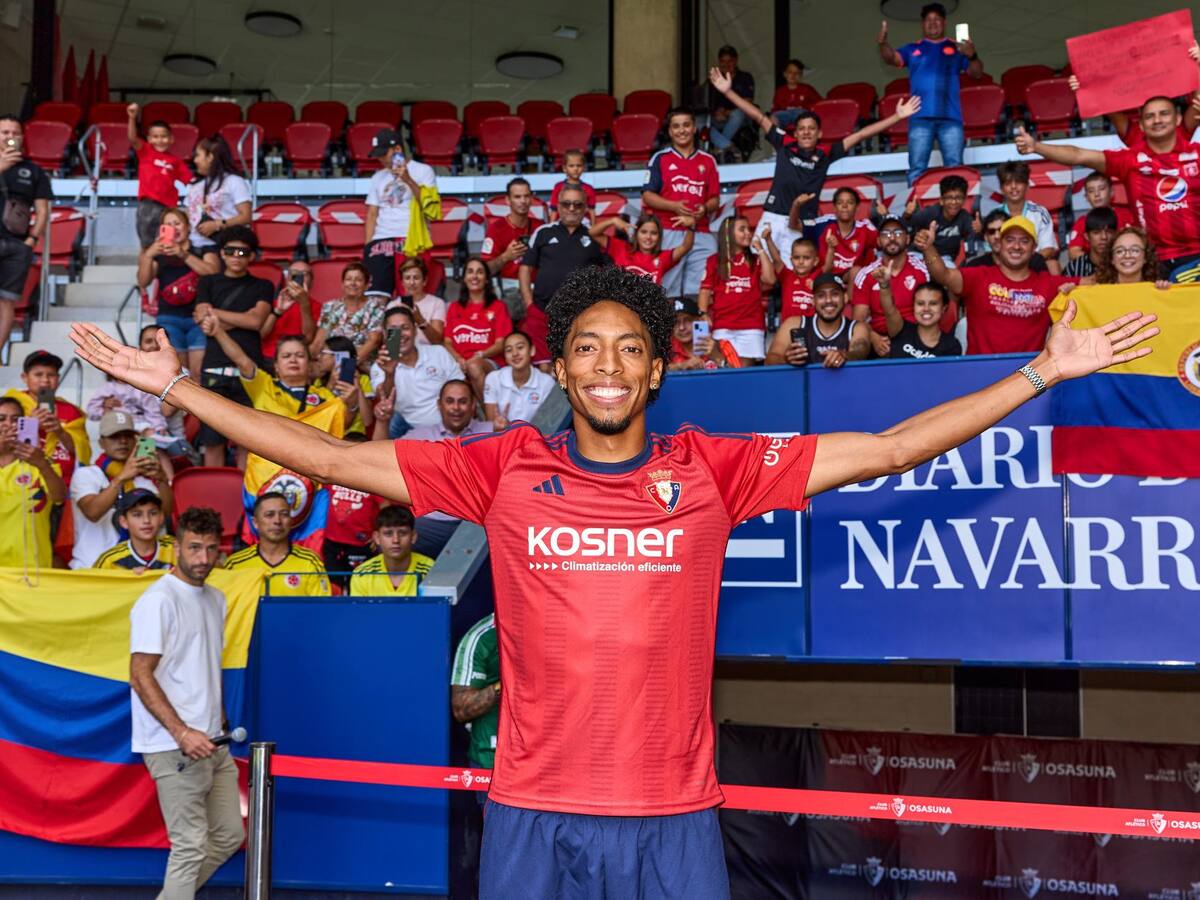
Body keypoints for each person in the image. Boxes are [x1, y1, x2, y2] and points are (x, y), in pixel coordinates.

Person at [73, 261, 1157, 900]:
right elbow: (327, 458)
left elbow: (884, 448)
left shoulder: (712, 470)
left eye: (628, 348)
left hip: (674, 818)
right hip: (534, 815)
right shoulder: (503, 466)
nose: (605, 365)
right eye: (585, 347)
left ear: (657, 367)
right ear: (558, 366)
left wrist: (1040, 373)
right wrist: (184, 388)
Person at [129, 506, 243, 900]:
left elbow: (204, 668)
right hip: (174, 745)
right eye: (194, 548)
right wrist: (181, 732)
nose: (203, 559)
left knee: (229, 835)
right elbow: (139, 674)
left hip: (214, 741)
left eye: (212, 549)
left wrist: (219, 724)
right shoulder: (157, 600)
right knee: (191, 845)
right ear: (174, 546)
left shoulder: (216, 598)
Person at [708, 67, 920, 263]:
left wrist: (897, 116)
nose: (806, 132)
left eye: (811, 128)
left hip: (801, 223)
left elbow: (862, 134)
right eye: (801, 128)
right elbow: (757, 116)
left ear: (819, 133)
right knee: (757, 270)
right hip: (772, 216)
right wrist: (728, 92)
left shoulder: (826, 153)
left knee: (796, 275)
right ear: (795, 132)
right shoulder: (784, 143)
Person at [1014, 104, 1200, 280]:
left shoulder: (1197, 155)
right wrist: (1037, 147)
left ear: (1178, 118)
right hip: (1152, 260)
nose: (1157, 120)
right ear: (1141, 125)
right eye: (1150, 116)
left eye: (1164, 113)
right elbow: (1079, 155)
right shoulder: (1131, 160)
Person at [919, 215, 1078, 355]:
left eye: (1024, 241)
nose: (1016, 246)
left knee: (1044, 387)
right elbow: (943, 275)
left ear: (1034, 248)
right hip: (982, 371)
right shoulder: (978, 276)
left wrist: (1074, 293)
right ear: (999, 244)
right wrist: (928, 248)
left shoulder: (1048, 283)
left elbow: (1095, 284)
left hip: (1030, 374)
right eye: (1010, 240)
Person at [193, 226, 274, 467]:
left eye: (243, 252)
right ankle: (212, 500)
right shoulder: (207, 281)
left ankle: (247, 502)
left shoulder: (263, 285)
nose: (236, 256)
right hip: (214, 369)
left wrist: (216, 315)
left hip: (250, 372)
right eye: (230, 251)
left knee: (248, 443)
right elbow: (203, 320)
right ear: (221, 253)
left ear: (251, 256)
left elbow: (256, 321)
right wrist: (242, 318)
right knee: (212, 441)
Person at [877, 2, 982, 184]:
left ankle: (957, 211)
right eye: (928, 20)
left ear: (945, 22)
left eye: (937, 19)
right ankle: (916, 211)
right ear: (922, 24)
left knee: (955, 168)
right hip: (919, 118)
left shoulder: (958, 48)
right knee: (917, 169)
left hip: (950, 118)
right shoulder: (912, 48)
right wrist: (883, 43)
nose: (933, 23)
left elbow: (977, 73)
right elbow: (891, 58)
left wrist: (972, 55)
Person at [69, 409, 173, 569]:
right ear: (101, 442)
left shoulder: (147, 476)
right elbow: (92, 512)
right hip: (92, 568)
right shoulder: (87, 474)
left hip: (142, 568)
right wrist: (121, 478)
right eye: (114, 437)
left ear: (136, 440)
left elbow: (164, 514)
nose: (123, 441)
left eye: (128, 436)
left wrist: (162, 480)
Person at [519, 184, 609, 366]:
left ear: (585, 208)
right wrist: (529, 304)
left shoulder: (594, 236)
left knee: (579, 367)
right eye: (566, 204)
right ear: (558, 206)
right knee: (544, 368)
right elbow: (525, 269)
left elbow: (609, 273)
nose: (572, 209)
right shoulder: (543, 232)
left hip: (581, 317)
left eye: (577, 204)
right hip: (542, 313)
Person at [400, 379, 492, 559]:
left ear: (473, 405)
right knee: (394, 540)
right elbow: (383, 457)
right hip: (429, 524)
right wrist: (382, 420)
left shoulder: (493, 431)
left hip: (478, 524)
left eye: (462, 401)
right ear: (439, 405)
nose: (456, 407)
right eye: (450, 401)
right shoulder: (419, 436)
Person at [641, 108, 719, 299]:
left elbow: (715, 199)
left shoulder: (708, 161)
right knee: (667, 287)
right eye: (676, 126)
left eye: (686, 125)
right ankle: (668, 329)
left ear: (694, 128)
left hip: (700, 231)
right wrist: (673, 206)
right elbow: (647, 196)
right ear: (670, 131)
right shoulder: (661, 158)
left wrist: (705, 208)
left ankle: (697, 327)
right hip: (669, 230)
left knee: (702, 287)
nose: (681, 130)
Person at [136, 206, 221, 375]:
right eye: (168, 225)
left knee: (198, 373)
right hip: (169, 317)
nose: (173, 228)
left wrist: (184, 254)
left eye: (177, 223)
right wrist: (147, 255)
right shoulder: (158, 254)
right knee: (177, 374)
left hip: (199, 318)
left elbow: (213, 273)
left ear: (188, 227)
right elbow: (143, 281)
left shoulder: (203, 250)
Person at [363, 128, 437, 300]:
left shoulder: (423, 171)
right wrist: (368, 247)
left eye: (383, 153)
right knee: (376, 299)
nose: (380, 159)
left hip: (411, 239)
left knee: (410, 297)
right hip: (381, 240)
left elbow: (429, 207)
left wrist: (408, 179)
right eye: (378, 154)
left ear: (397, 149)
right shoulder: (378, 177)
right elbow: (372, 213)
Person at [0, 115, 52, 357]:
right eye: (5, 132)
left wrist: (32, 240)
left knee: (7, 302)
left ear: (22, 137)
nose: (10, 137)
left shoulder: (33, 171)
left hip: (17, 244)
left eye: (15, 133)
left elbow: (43, 210)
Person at [370, 305, 462, 438]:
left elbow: (461, 387)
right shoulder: (379, 366)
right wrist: (390, 374)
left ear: (415, 330)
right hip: (406, 429)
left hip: (447, 426)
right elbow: (384, 399)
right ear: (385, 334)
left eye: (405, 328)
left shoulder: (438, 352)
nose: (400, 335)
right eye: (393, 331)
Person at [4, 349, 88, 485]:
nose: (45, 380)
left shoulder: (71, 411)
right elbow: (4, 443)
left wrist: (60, 432)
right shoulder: (9, 407)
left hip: (64, 483)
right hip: (22, 482)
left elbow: (81, 451)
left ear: (58, 378)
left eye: (51, 375)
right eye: (38, 374)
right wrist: (30, 424)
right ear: (25, 377)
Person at [698, 216, 776, 363]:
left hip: (751, 326)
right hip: (723, 325)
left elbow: (770, 280)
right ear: (728, 234)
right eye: (742, 229)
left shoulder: (755, 259)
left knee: (745, 371)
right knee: (722, 368)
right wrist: (702, 313)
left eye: (749, 229)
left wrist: (760, 249)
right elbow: (705, 290)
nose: (748, 233)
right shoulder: (714, 261)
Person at [0, 393, 64, 569]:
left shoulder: (39, 460)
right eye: (1, 419)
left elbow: (59, 497)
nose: (8, 425)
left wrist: (42, 464)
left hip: (33, 569)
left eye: (15, 419)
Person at [852, 217, 933, 356]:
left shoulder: (922, 270)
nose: (892, 238)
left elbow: (929, 312)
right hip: (879, 339)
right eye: (886, 234)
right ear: (878, 241)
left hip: (914, 335)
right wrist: (873, 337)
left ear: (907, 239)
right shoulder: (866, 275)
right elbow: (858, 321)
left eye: (898, 233)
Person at [224, 492, 331, 596]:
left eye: (284, 514)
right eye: (269, 515)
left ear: (291, 521)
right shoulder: (235, 565)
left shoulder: (310, 562)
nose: (277, 521)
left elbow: (322, 610)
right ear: (255, 523)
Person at [444, 257, 513, 401]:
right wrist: (459, 359)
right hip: (460, 363)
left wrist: (480, 355)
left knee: (474, 366)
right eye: (470, 272)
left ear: (487, 279)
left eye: (480, 272)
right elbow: (447, 342)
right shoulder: (454, 307)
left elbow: (501, 344)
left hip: (489, 361)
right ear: (464, 278)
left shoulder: (498, 307)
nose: (474, 276)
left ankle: (491, 415)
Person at [765, 273, 868, 367]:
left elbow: (860, 353)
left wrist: (844, 355)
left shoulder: (857, 328)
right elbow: (770, 360)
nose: (828, 300)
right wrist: (786, 359)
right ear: (813, 301)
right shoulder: (794, 324)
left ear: (845, 298)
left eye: (835, 294)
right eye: (821, 295)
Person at [322, 431, 384, 586]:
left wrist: (380, 535)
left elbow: (385, 507)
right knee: (334, 585)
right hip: (332, 543)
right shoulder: (332, 475)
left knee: (359, 583)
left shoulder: (372, 480)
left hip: (361, 544)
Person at [126, 104, 188, 249]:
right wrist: (132, 117)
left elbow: (190, 181)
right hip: (148, 205)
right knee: (147, 245)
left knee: (167, 243)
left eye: (164, 137)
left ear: (171, 139)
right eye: (155, 137)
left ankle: (160, 271)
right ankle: (145, 271)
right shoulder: (146, 151)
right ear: (149, 139)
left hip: (168, 208)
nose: (160, 140)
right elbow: (132, 138)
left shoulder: (176, 161)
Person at [481, 177, 543, 316]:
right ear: (508, 200)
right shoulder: (496, 228)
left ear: (532, 198)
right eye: (517, 197)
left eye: (526, 196)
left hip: (536, 287)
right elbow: (484, 270)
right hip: (507, 288)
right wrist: (506, 257)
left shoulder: (541, 227)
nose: (523, 201)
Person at [451, 611, 500, 776]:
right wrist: (505, 684)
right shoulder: (481, 637)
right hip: (491, 758)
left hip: (544, 758)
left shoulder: (551, 630)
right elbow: (461, 708)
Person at [184, 136, 251, 253]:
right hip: (192, 244)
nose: (195, 160)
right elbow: (187, 213)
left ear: (210, 157)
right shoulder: (194, 184)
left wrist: (217, 225)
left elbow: (246, 216)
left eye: (198, 155)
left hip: (223, 247)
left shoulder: (234, 181)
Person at [348, 505, 433, 596]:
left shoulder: (431, 571)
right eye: (388, 534)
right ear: (377, 538)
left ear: (413, 536)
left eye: (402, 533)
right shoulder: (362, 574)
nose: (395, 540)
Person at [588, 213, 693, 287]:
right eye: (644, 232)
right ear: (636, 234)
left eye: (654, 233)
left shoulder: (663, 257)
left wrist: (691, 227)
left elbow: (685, 247)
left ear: (659, 237)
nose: (648, 237)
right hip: (619, 308)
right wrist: (612, 220)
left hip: (648, 311)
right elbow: (592, 233)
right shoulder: (621, 248)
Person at [874, 271, 961, 359]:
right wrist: (884, 284)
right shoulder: (900, 329)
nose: (926, 309)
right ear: (914, 306)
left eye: (933, 303)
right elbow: (889, 309)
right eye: (920, 303)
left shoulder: (951, 346)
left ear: (943, 308)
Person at [310, 261, 386, 362]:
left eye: (358, 280)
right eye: (348, 279)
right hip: (330, 362)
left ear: (367, 285)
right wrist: (308, 362)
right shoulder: (330, 306)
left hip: (361, 363)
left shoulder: (375, 306)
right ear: (342, 284)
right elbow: (318, 341)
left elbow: (374, 340)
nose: (353, 283)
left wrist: (347, 365)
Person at [995, 161, 1059, 273]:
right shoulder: (994, 215)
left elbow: (1049, 249)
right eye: (1008, 183)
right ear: (1001, 188)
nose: (1013, 187)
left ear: (1027, 185)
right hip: (1005, 266)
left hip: (1033, 264)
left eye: (1018, 182)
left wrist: (1025, 261)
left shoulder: (1040, 213)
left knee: (1053, 265)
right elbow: (991, 250)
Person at [483, 331, 556, 429]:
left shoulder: (546, 383)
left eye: (520, 347)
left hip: (535, 439)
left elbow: (548, 424)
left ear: (532, 350)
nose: (515, 353)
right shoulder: (493, 379)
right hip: (503, 439)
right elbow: (491, 424)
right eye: (509, 350)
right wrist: (500, 426)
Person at [93, 488, 175, 572]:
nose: (146, 520)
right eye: (137, 515)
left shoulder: (177, 548)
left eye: (153, 513)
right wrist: (130, 579)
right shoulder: (109, 561)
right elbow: (91, 584)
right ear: (124, 522)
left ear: (161, 517)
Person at [902, 173, 975, 264]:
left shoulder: (965, 218)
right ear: (941, 200)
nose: (954, 202)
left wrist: (979, 230)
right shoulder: (930, 212)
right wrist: (907, 214)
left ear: (964, 200)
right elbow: (905, 226)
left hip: (945, 259)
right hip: (920, 255)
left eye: (958, 198)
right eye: (949, 198)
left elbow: (973, 241)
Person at [1065, 173, 1134, 262]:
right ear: (1086, 197)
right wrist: (1101, 262)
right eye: (1091, 191)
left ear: (1112, 192)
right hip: (1094, 269)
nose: (1096, 194)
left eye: (1101, 189)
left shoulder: (1126, 215)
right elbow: (1073, 253)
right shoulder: (1082, 222)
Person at [261, 260, 320, 362]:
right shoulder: (272, 303)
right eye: (294, 274)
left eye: (304, 274)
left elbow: (308, 338)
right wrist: (277, 311)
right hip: (269, 356)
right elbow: (261, 334)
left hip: (296, 359)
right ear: (287, 278)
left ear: (311, 280)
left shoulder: (318, 306)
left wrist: (304, 304)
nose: (299, 278)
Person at [706, 44, 755, 161]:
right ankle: (727, 146)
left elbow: (747, 102)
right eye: (723, 61)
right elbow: (707, 104)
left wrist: (727, 112)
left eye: (730, 61)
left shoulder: (745, 77)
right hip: (718, 119)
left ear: (736, 61)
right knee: (700, 122)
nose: (726, 64)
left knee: (738, 114)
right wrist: (715, 113)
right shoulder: (714, 80)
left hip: (740, 119)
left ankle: (720, 146)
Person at [817, 187, 878, 280]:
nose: (844, 206)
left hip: (856, 280)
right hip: (830, 281)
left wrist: (883, 217)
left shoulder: (865, 228)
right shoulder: (826, 230)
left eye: (850, 202)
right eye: (840, 202)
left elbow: (884, 242)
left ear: (857, 207)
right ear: (834, 208)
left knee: (855, 271)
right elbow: (825, 269)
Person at [964, 209, 1049, 272]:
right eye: (991, 232)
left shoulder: (1035, 261)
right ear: (986, 238)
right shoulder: (974, 266)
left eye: (1001, 230)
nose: (997, 236)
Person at [668, 297, 741, 370]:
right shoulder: (667, 348)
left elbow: (740, 377)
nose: (681, 327)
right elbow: (658, 372)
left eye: (688, 320)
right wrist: (681, 366)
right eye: (676, 322)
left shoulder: (722, 345)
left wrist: (717, 356)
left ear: (699, 321)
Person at [761, 233, 819, 319]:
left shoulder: (819, 279)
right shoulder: (787, 276)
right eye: (796, 257)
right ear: (791, 260)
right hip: (788, 328)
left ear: (815, 261)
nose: (801, 262)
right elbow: (777, 260)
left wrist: (831, 248)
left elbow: (829, 267)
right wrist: (768, 239)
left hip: (810, 329)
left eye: (806, 258)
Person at [395, 256, 447, 346]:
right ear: (402, 282)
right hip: (403, 354)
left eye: (416, 278)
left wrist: (420, 320)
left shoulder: (437, 303)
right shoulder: (393, 305)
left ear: (424, 281)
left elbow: (438, 341)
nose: (412, 282)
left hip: (430, 353)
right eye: (407, 278)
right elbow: (392, 346)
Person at [1095, 226, 1166, 287]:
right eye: (1120, 251)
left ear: (1146, 257)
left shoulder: (1157, 289)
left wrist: (1165, 294)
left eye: (1135, 250)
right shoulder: (1099, 292)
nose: (1127, 255)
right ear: (1112, 259)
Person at [1063, 207, 1118, 280]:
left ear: (1116, 235)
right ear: (1086, 236)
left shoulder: (1123, 265)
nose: (1104, 237)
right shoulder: (1074, 268)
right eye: (1096, 233)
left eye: (1109, 232)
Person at [548, 150, 596, 222]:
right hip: (562, 223)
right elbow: (554, 210)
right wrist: (551, 228)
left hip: (583, 223)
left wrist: (593, 229)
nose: (575, 169)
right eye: (571, 166)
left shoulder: (589, 189)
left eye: (579, 165)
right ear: (564, 168)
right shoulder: (558, 187)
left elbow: (591, 211)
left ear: (583, 168)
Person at [770, 59, 821, 128]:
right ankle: (779, 137)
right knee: (773, 117)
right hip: (785, 117)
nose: (793, 75)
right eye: (790, 72)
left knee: (802, 113)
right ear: (785, 74)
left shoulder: (807, 89)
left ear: (801, 75)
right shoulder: (780, 91)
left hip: (802, 117)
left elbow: (819, 104)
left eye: (797, 73)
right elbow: (775, 109)